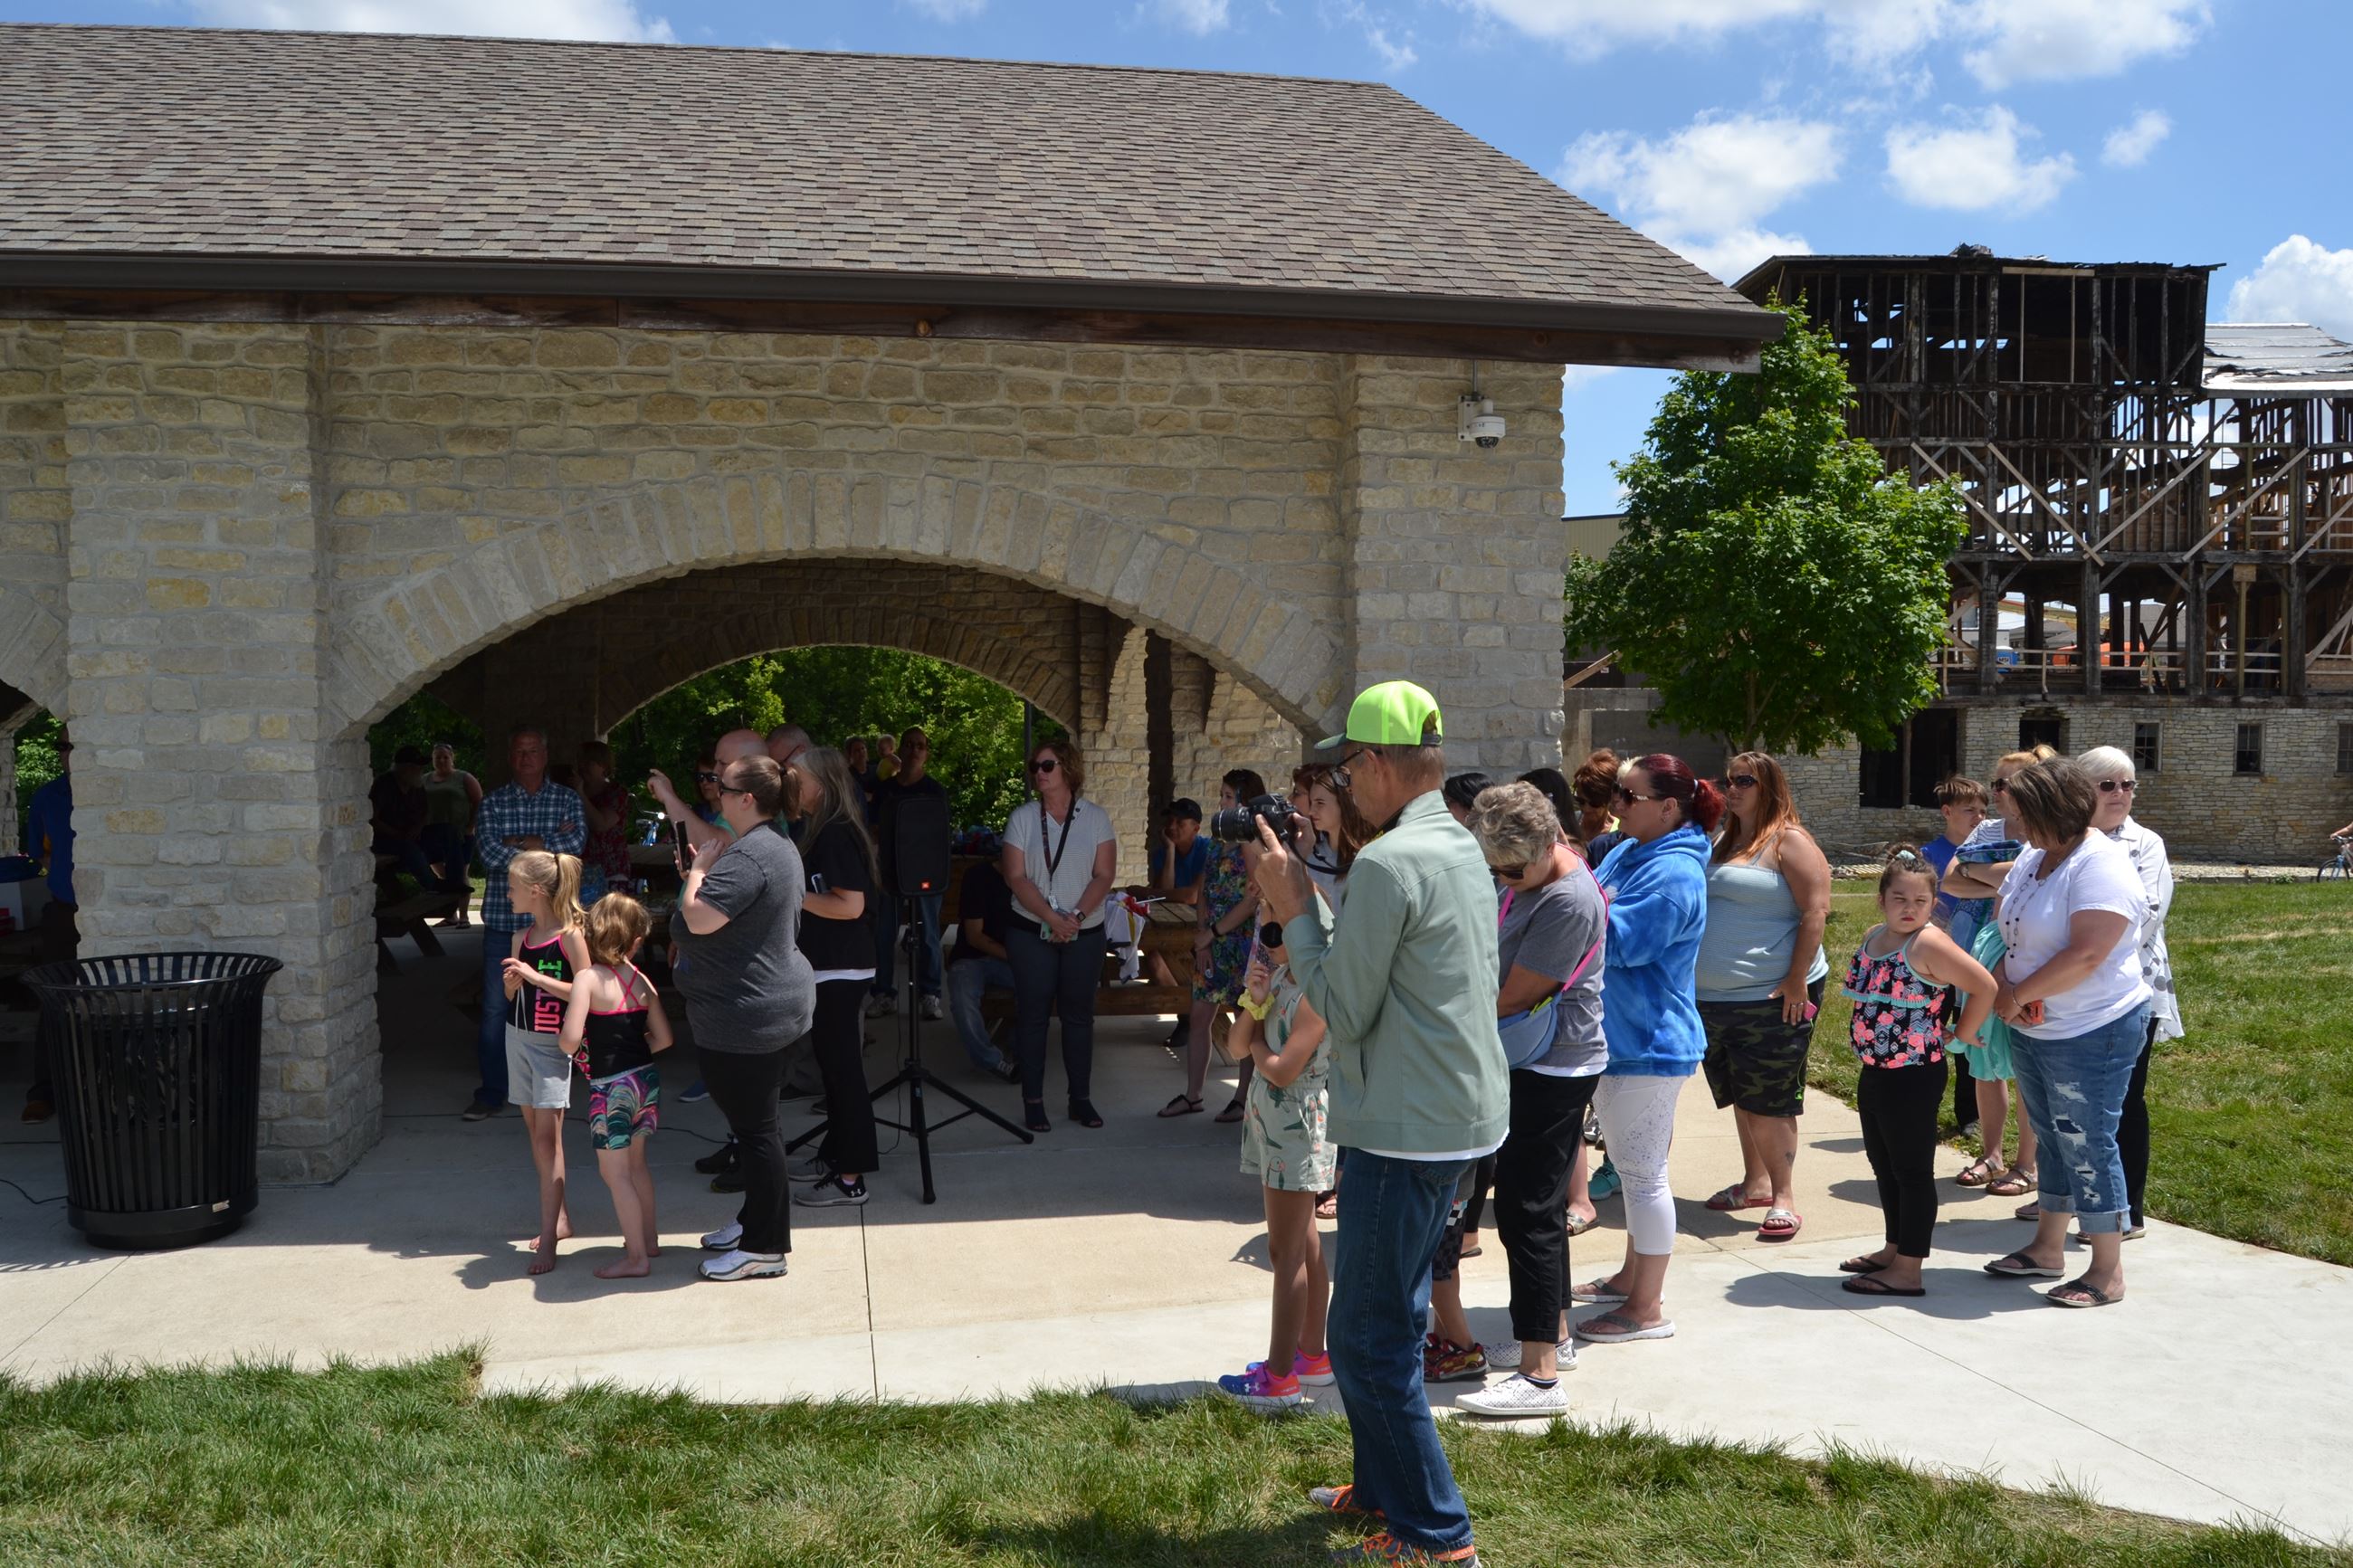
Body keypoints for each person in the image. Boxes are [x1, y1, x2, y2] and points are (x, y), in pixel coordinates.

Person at [1251, 679, 1505, 1568]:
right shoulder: (1455, 843)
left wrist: (1293, 907)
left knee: (1363, 1336)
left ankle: (1437, 1535)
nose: (1343, 784)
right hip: (1449, 1116)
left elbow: (1342, 1007)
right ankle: (1382, 1485)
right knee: (1389, 1314)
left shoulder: (1392, 864)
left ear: (1374, 762)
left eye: (1345, 768)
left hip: (1405, 1129)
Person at [1455, 783, 1610, 1416]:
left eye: (1513, 871)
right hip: (1534, 1060)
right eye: (1496, 870)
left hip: (1553, 1065)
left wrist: (1447, 1014)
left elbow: (1517, 994)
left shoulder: (1567, 899)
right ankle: (1555, 1338)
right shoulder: (1535, 877)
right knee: (1533, 1206)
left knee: (1527, 1210)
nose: (1506, 881)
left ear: (1550, 842)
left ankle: (1540, 1375)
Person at [1981, 758, 2152, 1308]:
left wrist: (2018, 996)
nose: (2014, 822)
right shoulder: (2034, 857)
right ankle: (2047, 1248)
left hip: (2094, 1026)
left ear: (2052, 810)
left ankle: (2106, 1270)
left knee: (2088, 1140)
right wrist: (2008, 987)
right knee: (2051, 1136)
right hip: (2035, 1023)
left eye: (2022, 812)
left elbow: (2088, 953)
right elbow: (2007, 932)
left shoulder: (2101, 863)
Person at [1576, 753, 1718, 1345]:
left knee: (1644, 1176)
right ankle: (1630, 1279)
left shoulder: (1675, 872)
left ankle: (1647, 1307)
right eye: (1616, 792)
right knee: (1636, 1171)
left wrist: (1562, 894)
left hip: (1650, 1044)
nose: (1615, 805)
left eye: (1628, 796)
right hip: (1624, 1040)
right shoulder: (1633, 849)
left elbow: (1622, 942)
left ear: (1668, 807)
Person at [679, 755, 816, 1282]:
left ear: (746, 799)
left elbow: (698, 918)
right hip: (768, 1009)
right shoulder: (772, 845)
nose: (713, 790)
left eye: (721, 784)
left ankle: (765, 1247)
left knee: (757, 1134)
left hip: (749, 1018)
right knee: (758, 1129)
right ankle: (753, 1221)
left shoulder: (752, 855)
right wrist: (703, 878)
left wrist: (697, 874)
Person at [1836, 848, 1996, 1297]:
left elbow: (1984, 985)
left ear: (1933, 903)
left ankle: (1909, 1269)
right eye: (1900, 899)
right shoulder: (1874, 937)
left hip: (1914, 1073)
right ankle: (1895, 1248)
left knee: (1911, 1170)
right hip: (1875, 1069)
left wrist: (1963, 1034)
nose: (1910, 909)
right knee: (1883, 1164)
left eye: (1920, 901)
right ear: (1881, 900)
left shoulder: (1928, 944)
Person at [1696, 752, 1830, 1244]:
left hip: (1773, 995)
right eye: (1728, 780)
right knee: (1742, 1092)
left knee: (1769, 1100)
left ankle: (1784, 1197)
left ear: (1768, 786)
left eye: (1744, 781)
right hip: (1716, 998)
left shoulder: (1789, 841)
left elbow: (1816, 911)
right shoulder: (1722, 840)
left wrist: (1796, 979)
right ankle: (1754, 1184)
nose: (1731, 788)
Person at [1215, 919, 1337, 1413]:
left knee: (1284, 1252)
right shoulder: (1282, 977)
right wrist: (1255, 999)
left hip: (1297, 1126)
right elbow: (1235, 1046)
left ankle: (1280, 1376)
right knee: (1303, 1243)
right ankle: (1312, 1356)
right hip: (1274, 1122)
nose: (1266, 941)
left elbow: (1283, 1070)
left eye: (1276, 929)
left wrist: (1261, 1049)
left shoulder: (1318, 990)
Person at [1939, 746, 2055, 1198]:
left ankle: (2027, 1163)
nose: (1998, 792)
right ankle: (1991, 1155)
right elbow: (1951, 879)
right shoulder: (1987, 829)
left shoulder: (2049, 830)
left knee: (2026, 1061)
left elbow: (2039, 877)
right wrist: (2005, 877)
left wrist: (1982, 871)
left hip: (2027, 957)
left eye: (2007, 784)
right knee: (1983, 1056)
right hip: (1977, 951)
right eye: (1996, 783)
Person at [2078, 745, 2178, 1240]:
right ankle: (2071, 1199)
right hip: (2071, 989)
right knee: (2074, 1101)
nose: (2121, 793)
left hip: (2130, 991)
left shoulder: (2145, 844)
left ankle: (2126, 1212)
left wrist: (2080, 955)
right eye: (2108, 785)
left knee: (2122, 1099)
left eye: (2128, 784)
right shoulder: (2067, 838)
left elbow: (2146, 913)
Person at [466, 727, 586, 1121]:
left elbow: (574, 850)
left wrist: (517, 842)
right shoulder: (493, 801)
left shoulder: (567, 798)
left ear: (545, 755)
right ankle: (492, 1092)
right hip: (505, 923)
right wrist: (543, 843)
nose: (526, 758)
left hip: (553, 928)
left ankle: (552, 1087)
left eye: (533, 750)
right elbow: (488, 853)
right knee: (496, 1009)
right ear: (510, 757)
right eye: (519, 751)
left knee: (557, 1002)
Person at [1002, 738, 1118, 1134]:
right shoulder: (1022, 818)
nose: (1039, 773)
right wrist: (1053, 918)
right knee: (1032, 1017)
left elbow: (1104, 874)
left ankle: (1080, 1099)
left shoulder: (1095, 818)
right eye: (1035, 766)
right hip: (1031, 931)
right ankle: (1033, 1101)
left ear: (1068, 769)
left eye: (1047, 765)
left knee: (1079, 1017)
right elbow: (1015, 877)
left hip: (1084, 932)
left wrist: (1076, 917)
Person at [557, 893, 674, 1279]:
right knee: (637, 1166)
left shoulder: (587, 979)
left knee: (615, 1174)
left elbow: (570, 1040)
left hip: (611, 1088)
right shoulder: (642, 981)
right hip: (644, 1079)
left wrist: (569, 1044)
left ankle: (636, 1257)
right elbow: (664, 1039)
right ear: (636, 941)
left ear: (591, 935)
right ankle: (649, 1240)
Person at [788, 746, 883, 1209]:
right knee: (833, 1071)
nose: (790, 784)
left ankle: (851, 1178)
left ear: (821, 784)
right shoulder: (822, 828)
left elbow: (851, 905)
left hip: (841, 969)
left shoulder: (836, 832)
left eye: (797, 777)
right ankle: (834, 1154)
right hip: (829, 967)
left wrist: (793, 894)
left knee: (844, 1075)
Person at [497, 850, 590, 1275]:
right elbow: (512, 998)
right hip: (517, 1039)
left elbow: (587, 991)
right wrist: (512, 985)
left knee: (548, 1142)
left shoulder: (570, 937)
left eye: (513, 887)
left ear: (536, 891)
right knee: (537, 1138)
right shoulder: (521, 937)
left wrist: (536, 978)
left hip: (551, 1047)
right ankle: (561, 1218)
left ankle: (549, 1235)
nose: (508, 894)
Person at [1168, 769, 1266, 1124]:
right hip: (1211, 943)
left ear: (1244, 801)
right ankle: (1193, 1094)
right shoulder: (1215, 841)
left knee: (1244, 1021)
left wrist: (1213, 933)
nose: (1221, 802)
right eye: (1222, 794)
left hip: (1240, 944)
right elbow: (1204, 892)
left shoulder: (1251, 843)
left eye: (1228, 796)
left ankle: (1241, 1098)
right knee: (1199, 1017)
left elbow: (1253, 899)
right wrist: (1203, 938)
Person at [1920, 774, 1989, 1135]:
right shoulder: (1930, 855)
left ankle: (1969, 1115)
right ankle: (1922, 1109)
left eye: (1983, 811)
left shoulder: (1989, 854)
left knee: (1967, 1035)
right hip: (1935, 963)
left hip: (1972, 959)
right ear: (1947, 812)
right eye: (1969, 810)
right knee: (1928, 1032)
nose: (1978, 818)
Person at [868, 727, 948, 1022]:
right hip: (889, 871)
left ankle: (930, 994)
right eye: (909, 744)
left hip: (925, 871)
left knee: (928, 935)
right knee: (884, 934)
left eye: (920, 746)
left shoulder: (935, 791)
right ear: (900, 749)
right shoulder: (885, 790)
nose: (914, 750)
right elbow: (872, 829)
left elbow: (941, 836)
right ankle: (884, 994)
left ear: (926, 754)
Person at [17, 727, 74, 1125]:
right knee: (54, 998)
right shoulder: (47, 797)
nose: (67, 753)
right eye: (62, 746)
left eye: (73, 745)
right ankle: (45, 1091)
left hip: (113, 913)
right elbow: (41, 853)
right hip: (65, 913)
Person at [944, 842, 1023, 1083]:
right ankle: (990, 1060)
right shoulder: (978, 877)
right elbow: (975, 937)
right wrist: (1017, 957)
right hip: (973, 957)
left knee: (1038, 986)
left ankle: (1019, 1050)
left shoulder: (1033, 879)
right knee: (961, 995)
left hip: (1014, 959)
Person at [422, 741, 482, 926]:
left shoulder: (464, 778)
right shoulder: (424, 779)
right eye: (437, 757)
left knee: (460, 873)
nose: (441, 760)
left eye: (445, 757)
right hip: (432, 833)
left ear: (452, 758)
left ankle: (463, 916)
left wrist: (471, 826)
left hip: (460, 834)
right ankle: (450, 914)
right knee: (443, 875)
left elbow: (479, 801)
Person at [369, 746, 435, 887]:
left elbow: (425, 812)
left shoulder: (417, 785)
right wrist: (397, 834)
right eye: (416, 767)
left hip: (411, 834)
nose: (420, 770)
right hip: (384, 839)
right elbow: (373, 819)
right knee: (408, 848)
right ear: (404, 768)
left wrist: (417, 828)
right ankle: (432, 886)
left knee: (447, 833)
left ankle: (455, 881)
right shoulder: (383, 785)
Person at [576, 740, 632, 906]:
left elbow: (601, 824)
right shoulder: (571, 794)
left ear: (603, 766)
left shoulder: (617, 793)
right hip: (582, 869)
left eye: (591, 762)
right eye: (582, 762)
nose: (584, 767)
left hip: (611, 868)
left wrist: (581, 795)